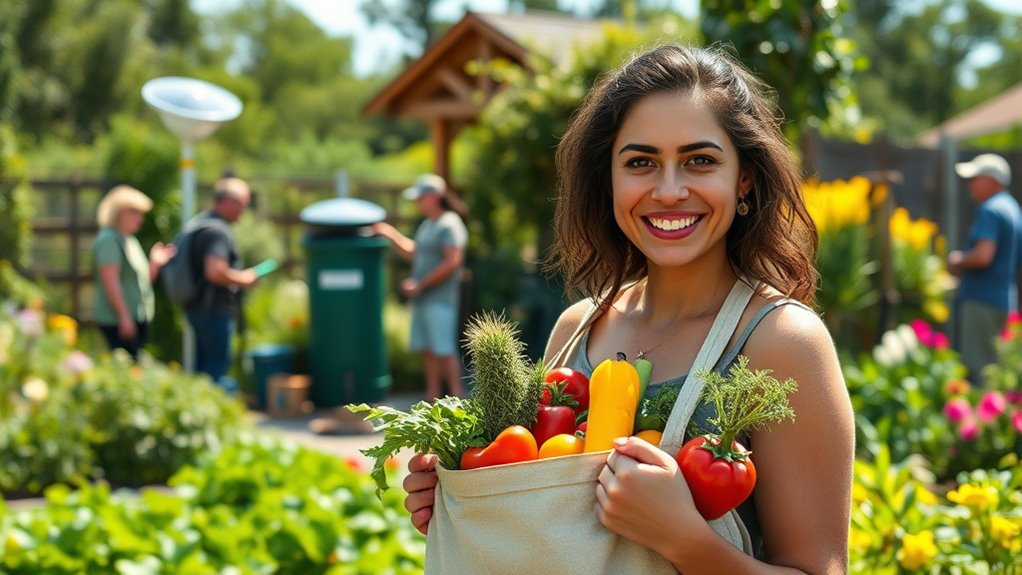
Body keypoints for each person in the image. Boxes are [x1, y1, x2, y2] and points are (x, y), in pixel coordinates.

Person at [401, 44, 854, 573]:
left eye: (700, 160)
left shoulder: (780, 341)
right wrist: (468, 493)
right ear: (609, 179)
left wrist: (683, 540)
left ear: (745, 179)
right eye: (641, 162)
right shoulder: (578, 328)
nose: (668, 190)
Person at [372, 174, 468, 400]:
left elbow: (453, 261)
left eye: (420, 198)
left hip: (441, 301)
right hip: (424, 300)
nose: (416, 203)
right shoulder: (428, 225)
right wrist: (389, 233)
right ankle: (432, 399)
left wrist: (421, 284)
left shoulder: (450, 224)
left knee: (444, 350)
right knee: (429, 351)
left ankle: (458, 400)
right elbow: (415, 252)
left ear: (434, 197)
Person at [947, 153, 1021, 384]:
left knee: (980, 371)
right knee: (998, 371)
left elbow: (983, 256)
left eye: (976, 178)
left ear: (992, 179)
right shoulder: (1012, 208)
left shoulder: (990, 209)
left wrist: (957, 260)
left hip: (981, 301)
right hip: (1004, 300)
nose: (971, 184)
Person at [183, 177, 259, 382]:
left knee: (201, 369)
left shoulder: (201, 224)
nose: (243, 211)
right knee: (214, 370)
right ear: (228, 201)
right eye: (242, 205)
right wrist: (244, 278)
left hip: (196, 307)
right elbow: (215, 271)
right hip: (213, 309)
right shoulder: (218, 231)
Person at [93, 185, 175, 359]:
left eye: (141, 212)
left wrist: (155, 263)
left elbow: (142, 281)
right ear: (117, 212)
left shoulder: (129, 240)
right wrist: (124, 316)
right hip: (119, 320)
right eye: (134, 212)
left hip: (135, 316)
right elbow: (110, 280)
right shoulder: (109, 239)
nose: (140, 217)